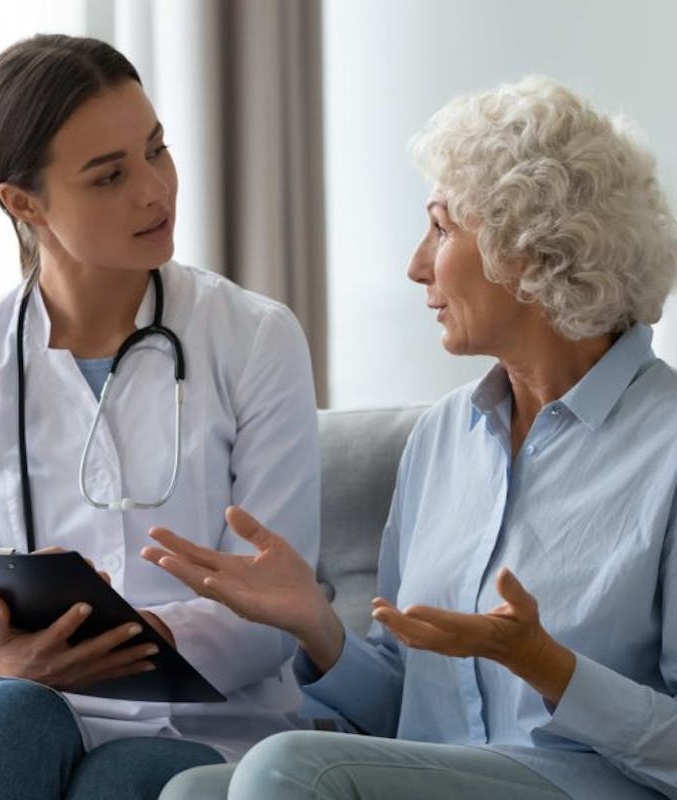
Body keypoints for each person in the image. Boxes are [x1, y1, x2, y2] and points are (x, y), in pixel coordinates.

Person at [144, 76, 677, 800]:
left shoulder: (667, 445)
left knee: (282, 772)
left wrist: (548, 665)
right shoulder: (442, 439)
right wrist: (314, 624)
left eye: (442, 227)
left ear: (533, 248)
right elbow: (411, 714)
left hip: (596, 787)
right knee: (191, 794)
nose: (417, 264)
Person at [0, 33, 320, 800]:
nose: (156, 191)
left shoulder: (254, 338)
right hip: (18, 714)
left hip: (205, 728)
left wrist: (133, 643)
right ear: (23, 204)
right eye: (110, 176)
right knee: (7, 717)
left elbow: (275, 607)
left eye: (157, 150)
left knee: (120, 777)